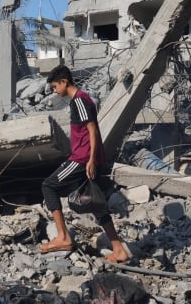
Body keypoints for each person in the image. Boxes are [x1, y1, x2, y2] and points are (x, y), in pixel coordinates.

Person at [39, 65, 130, 264]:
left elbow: (92, 130)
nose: (55, 91)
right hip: (88, 158)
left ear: (64, 82)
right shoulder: (83, 99)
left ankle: (63, 237)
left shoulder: (79, 100)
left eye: (55, 86)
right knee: (97, 203)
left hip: (81, 159)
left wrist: (90, 160)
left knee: (48, 185)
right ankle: (118, 249)